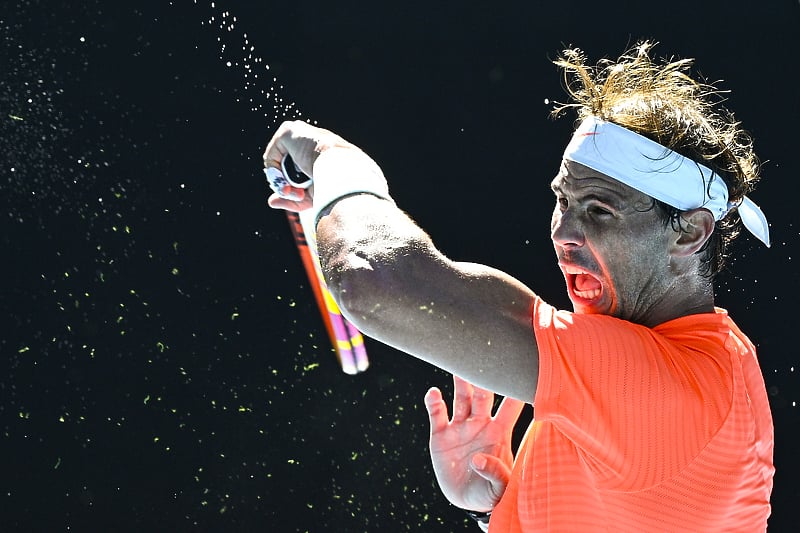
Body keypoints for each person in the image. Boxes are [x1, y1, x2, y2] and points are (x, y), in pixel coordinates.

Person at [263, 42, 775, 532]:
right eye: (563, 201)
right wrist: (505, 509)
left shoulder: (659, 390)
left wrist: (338, 166)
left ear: (689, 231)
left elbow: (371, 277)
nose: (563, 233)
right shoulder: (710, 368)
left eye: (599, 210)